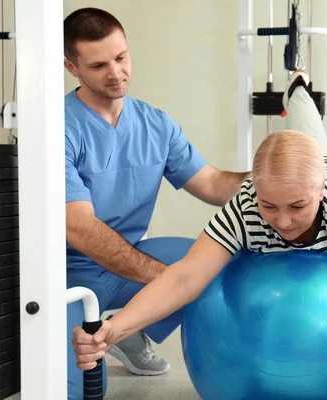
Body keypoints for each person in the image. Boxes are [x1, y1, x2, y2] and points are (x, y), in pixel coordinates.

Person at [71, 68, 327, 399]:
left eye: (297, 208)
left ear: (321, 189)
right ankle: (297, 89)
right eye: (269, 206)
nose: (281, 221)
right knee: (305, 142)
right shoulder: (247, 205)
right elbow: (185, 277)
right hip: (309, 167)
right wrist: (114, 329)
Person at [63, 7, 250, 400]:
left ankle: (132, 334)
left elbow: (214, 184)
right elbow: (79, 229)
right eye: (98, 65)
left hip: (126, 260)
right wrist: (167, 281)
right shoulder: (60, 128)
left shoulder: (156, 124)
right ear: (71, 66)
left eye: (121, 57)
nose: (116, 73)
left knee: (214, 265)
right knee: (77, 391)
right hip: (67, 275)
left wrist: (271, 178)